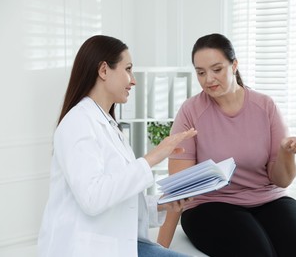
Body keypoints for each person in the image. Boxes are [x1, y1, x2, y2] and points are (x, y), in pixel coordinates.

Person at [157, 33, 296, 257]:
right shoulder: (190, 111)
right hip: (210, 205)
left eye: (217, 69)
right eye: (201, 73)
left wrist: (286, 152)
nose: (209, 79)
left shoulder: (265, 106)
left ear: (234, 65)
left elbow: (282, 180)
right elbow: (180, 188)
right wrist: (159, 248)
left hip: (268, 199)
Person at [37, 35, 197, 257]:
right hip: (86, 249)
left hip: (120, 243)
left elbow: (121, 201)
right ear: (104, 70)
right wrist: (152, 158)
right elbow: (93, 198)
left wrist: (163, 205)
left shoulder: (109, 125)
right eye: (128, 69)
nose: (133, 80)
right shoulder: (78, 123)